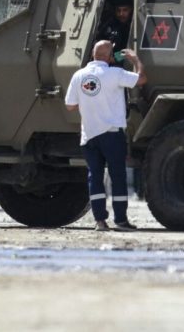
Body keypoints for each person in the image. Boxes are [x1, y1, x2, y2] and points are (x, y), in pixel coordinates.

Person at [65, 40, 147, 231]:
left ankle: (100, 221)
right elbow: (142, 79)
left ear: (93, 55)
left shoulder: (79, 75)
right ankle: (121, 220)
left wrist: (90, 102)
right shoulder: (115, 73)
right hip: (112, 135)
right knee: (117, 176)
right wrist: (135, 59)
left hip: (89, 135)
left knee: (95, 177)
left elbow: (70, 106)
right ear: (110, 57)